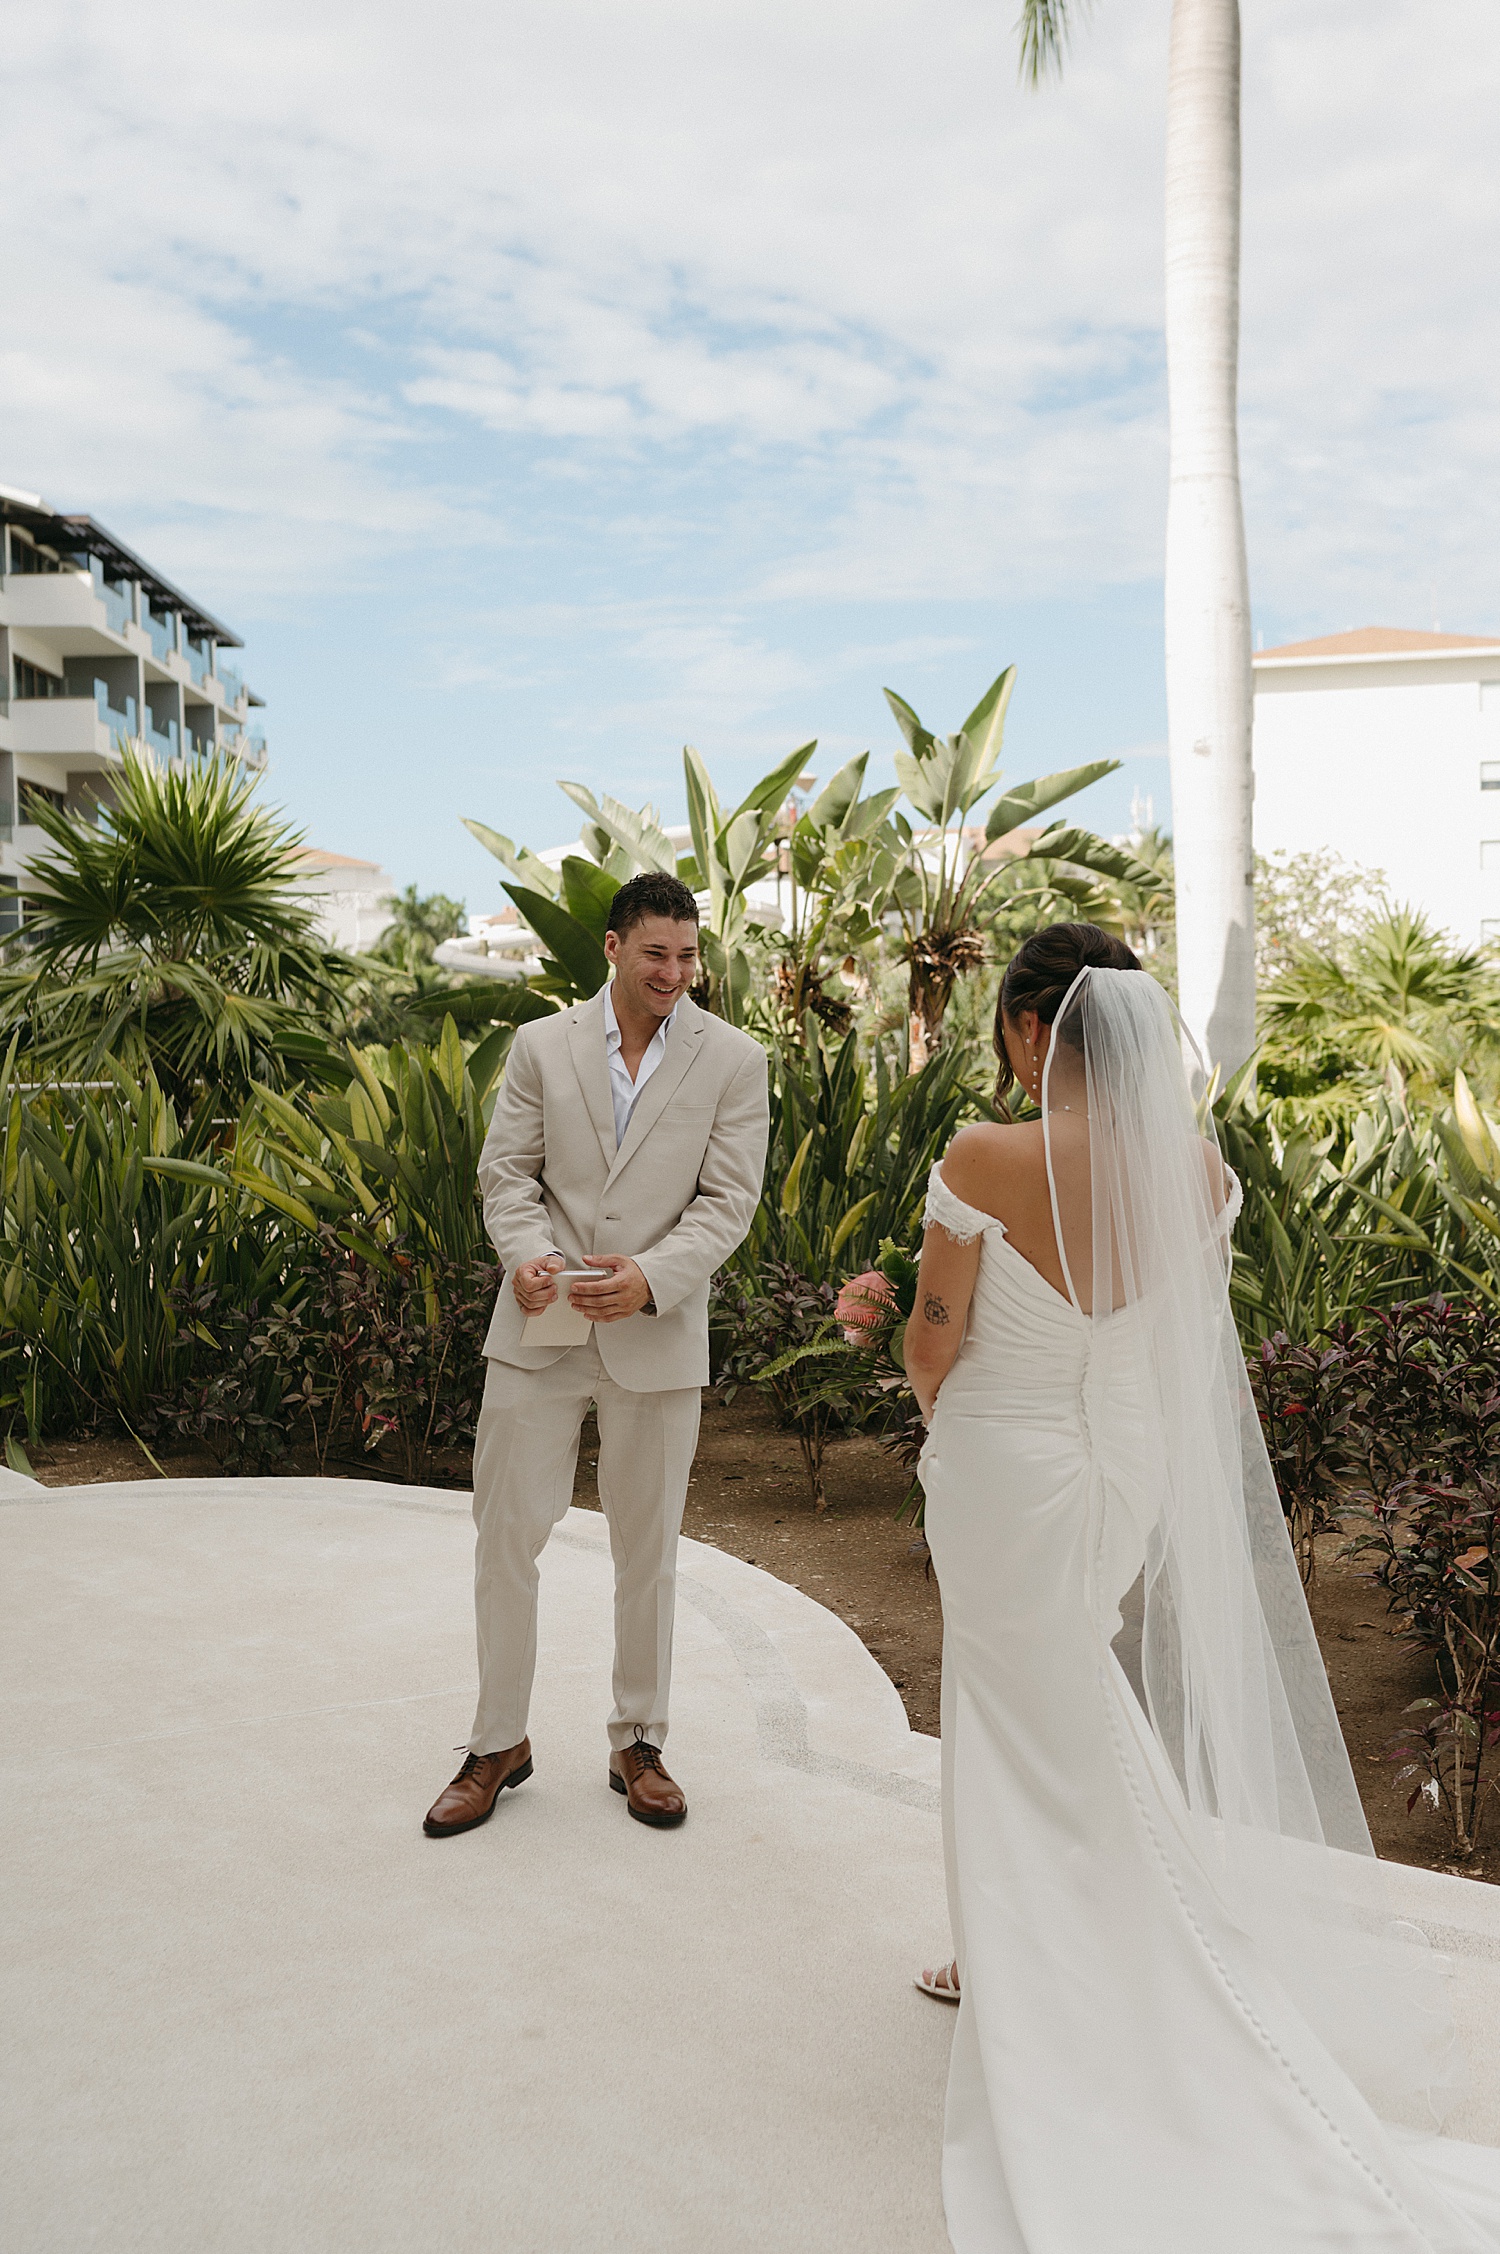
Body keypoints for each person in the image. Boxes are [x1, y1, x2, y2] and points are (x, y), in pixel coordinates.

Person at [906, 921, 1500, 2252]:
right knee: (1060, 1705)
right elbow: (1175, 1339)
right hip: (1124, 1474)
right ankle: (1009, 1950)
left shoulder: (982, 1156)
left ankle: (1052, 1967)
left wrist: (885, 1330)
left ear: (1024, 1030)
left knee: (1019, 1720)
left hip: (1008, 1474)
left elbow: (935, 1341)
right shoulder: (1197, 1169)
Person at [423, 872, 768, 1839]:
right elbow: (507, 1175)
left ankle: (640, 1741)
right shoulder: (541, 1047)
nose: (675, 972)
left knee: (648, 1551)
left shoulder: (735, 1061)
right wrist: (530, 1260)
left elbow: (728, 1201)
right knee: (505, 1538)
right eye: (657, 953)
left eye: (689, 955)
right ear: (613, 949)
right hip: (540, 1326)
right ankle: (498, 1743)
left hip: (656, 1329)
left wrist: (653, 1277)